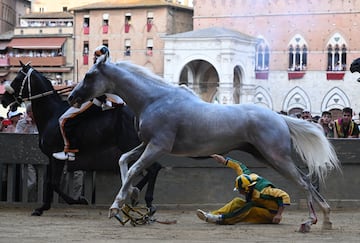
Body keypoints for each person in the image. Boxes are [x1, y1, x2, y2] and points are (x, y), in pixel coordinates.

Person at [52, 45, 124, 161]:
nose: (93, 58)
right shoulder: (109, 68)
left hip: (97, 101)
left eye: (96, 56)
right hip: (108, 102)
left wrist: (78, 88)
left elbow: (95, 89)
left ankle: (70, 152)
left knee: (63, 120)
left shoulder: (100, 70)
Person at [196, 154, 290, 225]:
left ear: (247, 189)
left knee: (248, 208)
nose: (240, 192)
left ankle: (221, 219)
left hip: (270, 214)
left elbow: (284, 196)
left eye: (241, 190)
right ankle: (211, 215)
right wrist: (224, 161)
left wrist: (278, 215)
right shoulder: (247, 177)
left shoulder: (263, 191)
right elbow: (239, 166)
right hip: (259, 205)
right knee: (237, 201)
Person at [15, 103, 38, 201]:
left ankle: (38, 201)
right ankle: (27, 201)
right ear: (29, 113)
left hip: (40, 155)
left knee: (42, 181)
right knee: (31, 181)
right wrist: (28, 126)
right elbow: (18, 139)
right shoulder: (21, 123)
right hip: (27, 156)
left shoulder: (42, 121)